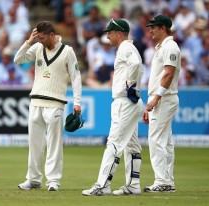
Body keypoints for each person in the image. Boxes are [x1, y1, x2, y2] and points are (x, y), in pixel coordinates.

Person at [14, 21, 82, 191]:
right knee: (34, 143)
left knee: (54, 144)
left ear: (52, 35)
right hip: (36, 102)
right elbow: (18, 59)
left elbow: (76, 77)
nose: (40, 41)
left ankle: (53, 181)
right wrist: (29, 41)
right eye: (38, 38)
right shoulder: (37, 48)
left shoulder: (67, 51)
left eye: (42, 38)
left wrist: (77, 102)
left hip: (55, 103)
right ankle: (33, 179)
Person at [82, 18, 144, 196]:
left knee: (114, 143)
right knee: (131, 145)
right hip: (129, 101)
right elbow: (137, 66)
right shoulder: (126, 48)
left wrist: (131, 85)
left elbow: (136, 64)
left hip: (125, 101)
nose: (107, 35)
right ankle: (133, 185)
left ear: (119, 33)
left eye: (110, 32)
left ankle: (103, 185)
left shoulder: (125, 47)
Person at [142, 15, 181, 192]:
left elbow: (168, 74)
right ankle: (167, 181)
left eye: (154, 27)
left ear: (163, 28)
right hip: (160, 98)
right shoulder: (162, 47)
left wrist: (155, 99)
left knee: (156, 139)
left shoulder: (171, 47)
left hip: (164, 98)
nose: (150, 30)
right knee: (165, 141)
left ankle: (162, 180)